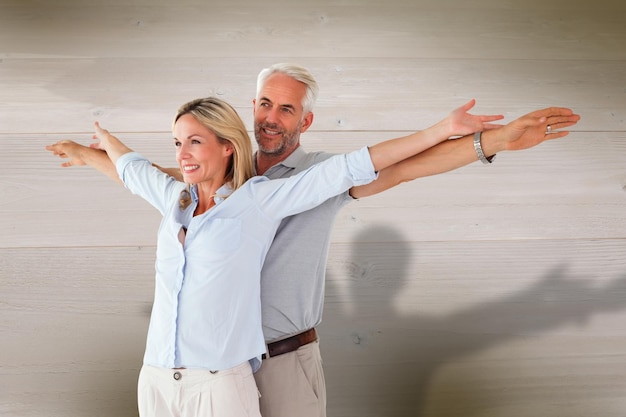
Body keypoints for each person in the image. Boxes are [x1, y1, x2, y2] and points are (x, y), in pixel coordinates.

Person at [45, 63, 581, 417]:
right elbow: (149, 176)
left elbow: (403, 168)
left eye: (285, 108)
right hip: (196, 368)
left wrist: (491, 141)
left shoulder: (317, 178)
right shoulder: (213, 181)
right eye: (263, 104)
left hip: (279, 359)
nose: (271, 117)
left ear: (306, 118)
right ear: (247, 114)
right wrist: (92, 151)